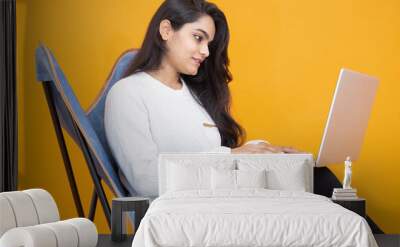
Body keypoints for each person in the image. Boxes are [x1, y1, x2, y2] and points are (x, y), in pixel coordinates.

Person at [105, 0, 302, 197]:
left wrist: (260, 151)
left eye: (208, 44)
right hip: (180, 216)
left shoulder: (195, 94)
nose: (206, 52)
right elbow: (147, 182)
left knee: (312, 175)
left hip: (217, 202)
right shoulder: (127, 93)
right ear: (166, 30)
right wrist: (230, 157)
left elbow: (213, 160)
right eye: (198, 38)